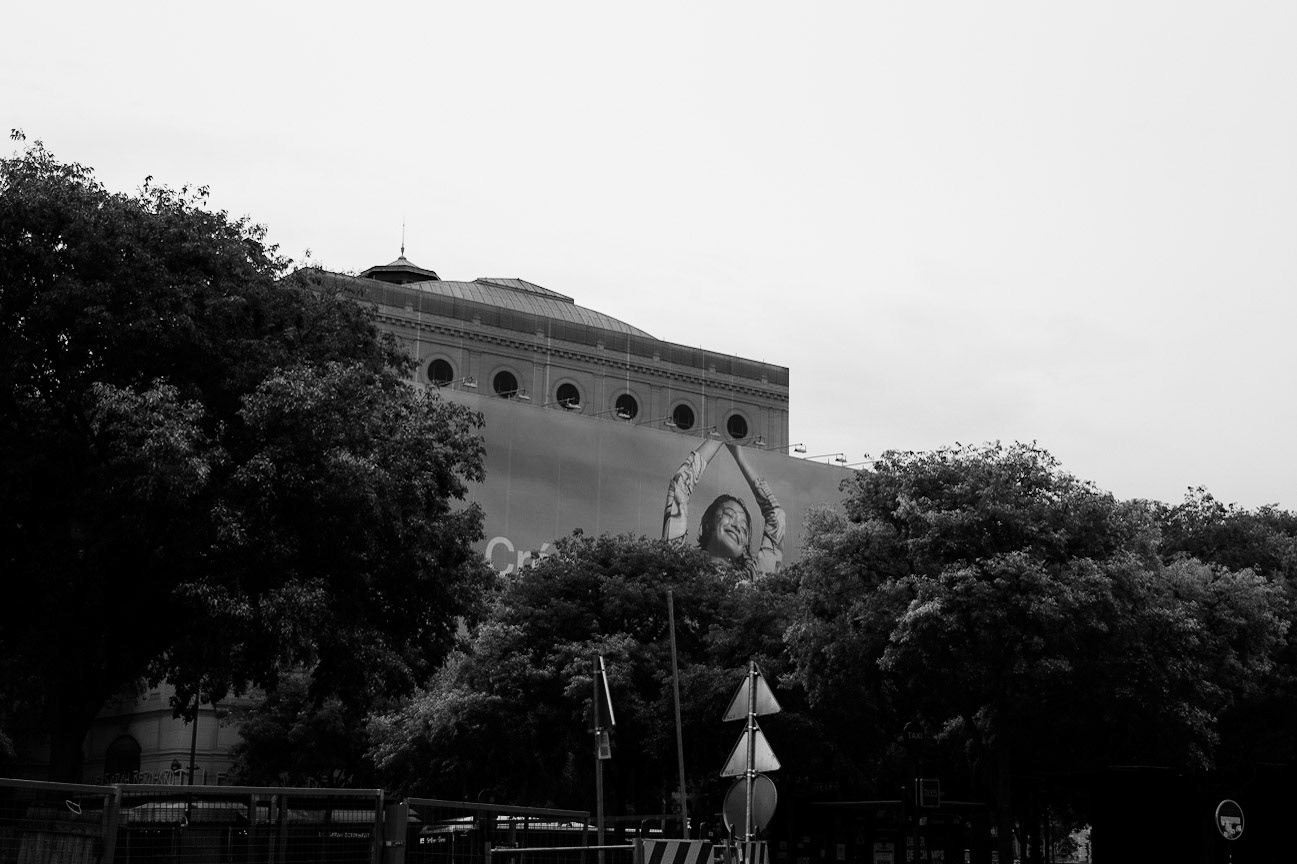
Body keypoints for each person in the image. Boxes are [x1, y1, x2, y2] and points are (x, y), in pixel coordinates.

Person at [662, 437, 785, 577]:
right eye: (729, 515)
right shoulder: (683, 568)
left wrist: (740, 457)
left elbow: (777, 516)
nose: (737, 527)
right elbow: (680, 486)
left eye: (744, 529)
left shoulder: (755, 579)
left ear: (745, 545)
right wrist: (719, 436)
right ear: (708, 523)